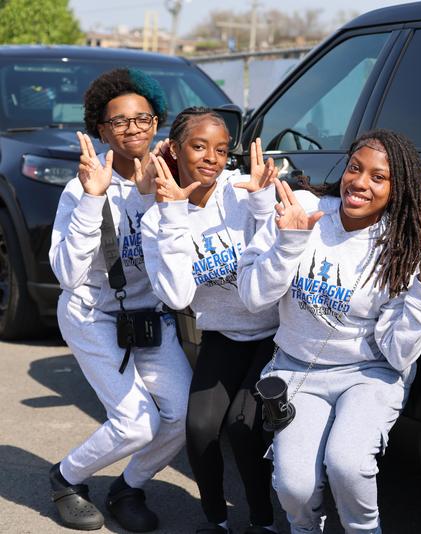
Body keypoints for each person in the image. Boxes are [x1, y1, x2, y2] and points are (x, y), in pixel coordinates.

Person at [237, 129, 421, 533]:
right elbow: (253, 297)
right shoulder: (303, 209)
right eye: (355, 169)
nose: (360, 183)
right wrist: (290, 243)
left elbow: (398, 355)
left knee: (347, 464)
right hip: (298, 369)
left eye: (378, 177)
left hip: (368, 373)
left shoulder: (402, 247)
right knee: (293, 486)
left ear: (397, 189)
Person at [48, 68, 191, 532]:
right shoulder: (80, 189)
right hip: (91, 314)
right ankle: (68, 477)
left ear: (156, 123)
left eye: (143, 118)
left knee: (182, 415)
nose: (133, 129)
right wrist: (93, 199)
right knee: (136, 422)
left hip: (149, 316)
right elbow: (69, 275)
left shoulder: (170, 180)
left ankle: (128, 486)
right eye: (119, 121)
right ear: (101, 129)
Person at [140, 107, 280, 534]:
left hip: (274, 335)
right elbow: (178, 295)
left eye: (220, 150)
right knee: (199, 428)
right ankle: (216, 521)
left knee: (242, 426)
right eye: (199, 147)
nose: (211, 158)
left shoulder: (243, 193)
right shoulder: (156, 220)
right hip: (222, 333)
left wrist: (262, 202)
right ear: (175, 150)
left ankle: (263, 522)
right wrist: (173, 218)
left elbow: (278, 255)